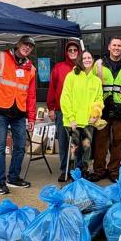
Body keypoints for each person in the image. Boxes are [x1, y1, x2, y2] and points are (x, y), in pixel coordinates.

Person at [0, 36, 37, 195]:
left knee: (20, 146)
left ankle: (14, 177)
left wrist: (32, 117)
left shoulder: (31, 68)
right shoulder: (1, 58)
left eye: (30, 46)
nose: (27, 47)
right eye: (25, 44)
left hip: (19, 112)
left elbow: (31, 95)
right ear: (18, 44)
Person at [88, 36, 121, 183]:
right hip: (102, 110)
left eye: (119, 46)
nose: (117, 48)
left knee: (118, 141)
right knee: (100, 142)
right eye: (114, 45)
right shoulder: (98, 64)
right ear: (109, 47)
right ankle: (99, 170)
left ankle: (113, 171)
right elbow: (90, 87)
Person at [60, 49, 103, 177]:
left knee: (86, 148)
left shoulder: (96, 80)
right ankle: (74, 173)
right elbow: (65, 98)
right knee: (75, 149)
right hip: (73, 121)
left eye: (89, 58)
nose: (87, 60)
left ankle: (83, 172)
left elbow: (99, 99)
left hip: (88, 122)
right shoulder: (71, 76)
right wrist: (71, 118)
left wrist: (95, 115)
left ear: (93, 60)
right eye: (84, 58)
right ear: (80, 60)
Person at [46, 39, 81, 182]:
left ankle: (77, 170)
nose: (72, 52)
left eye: (75, 50)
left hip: (79, 112)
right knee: (63, 142)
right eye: (70, 50)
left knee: (78, 142)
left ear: (79, 52)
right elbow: (52, 89)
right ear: (66, 52)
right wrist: (51, 108)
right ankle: (64, 169)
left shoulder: (83, 69)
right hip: (61, 111)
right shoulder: (59, 68)